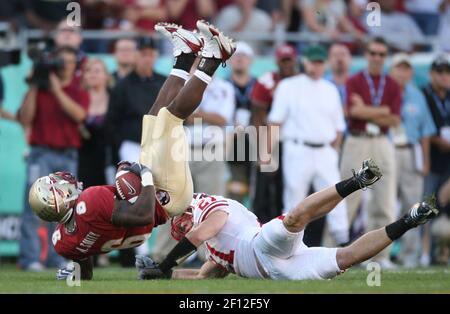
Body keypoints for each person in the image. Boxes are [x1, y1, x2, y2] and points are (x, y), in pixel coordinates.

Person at [28, 20, 236, 280]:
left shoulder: (63, 240)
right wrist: (144, 176)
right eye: (57, 186)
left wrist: (75, 275)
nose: (63, 181)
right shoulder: (90, 202)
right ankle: (214, 59)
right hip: (165, 195)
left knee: (150, 119)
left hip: (156, 194)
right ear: (58, 198)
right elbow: (143, 214)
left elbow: (86, 269)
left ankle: (185, 57)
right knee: (169, 119)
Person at [135, 159, 438, 281]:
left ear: (186, 213)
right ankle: (410, 219)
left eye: (180, 227)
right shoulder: (211, 247)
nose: (181, 231)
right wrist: (162, 276)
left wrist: (164, 264)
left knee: (294, 218)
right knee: (345, 258)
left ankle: (357, 181)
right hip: (280, 272)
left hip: (262, 244)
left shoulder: (207, 209)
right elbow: (204, 277)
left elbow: (199, 235)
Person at [17, 46, 90, 271]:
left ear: (74, 65)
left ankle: (57, 257)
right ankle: (30, 259)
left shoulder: (78, 89)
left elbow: (79, 115)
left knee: (65, 209)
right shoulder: (39, 89)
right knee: (33, 206)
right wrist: (34, 86)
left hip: (67, 154)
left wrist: (57, 89)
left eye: (68, 61)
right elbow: (25, 118)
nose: (64, 65)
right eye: (61, 61)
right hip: (41, 152)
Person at [268, 45, 349, 246]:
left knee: (335, 197)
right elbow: (275, 121)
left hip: (324, 150)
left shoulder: (330, 89)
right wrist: (266, 152)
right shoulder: (289, 86)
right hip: (298, 148)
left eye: (320, 62)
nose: (316, 66)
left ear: (325, 64)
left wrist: (334, 150)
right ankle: (286, 244)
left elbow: (339, 127)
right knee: (294, 198)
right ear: (305, 62)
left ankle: (343, 243)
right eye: (313, 62)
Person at [340, 37, 401, 268]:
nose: (377, 58)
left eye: (381, 54)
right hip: (358, 140)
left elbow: (394, 119)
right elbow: (352, 111)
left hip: (382, 141)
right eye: (373, 53)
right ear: (366, 55)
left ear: (385, 58)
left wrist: (365, 110)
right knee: (348, 197)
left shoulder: (392, 84)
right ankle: (337, 254)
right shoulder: (355, 80)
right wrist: (380, 110)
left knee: (384, 202)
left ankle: (380, 257)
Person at [389, 53, 437, 267]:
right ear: (392, 70)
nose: (402, 72)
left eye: (406, 68)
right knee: (385, 203)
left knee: (413, 205)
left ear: (410, 72)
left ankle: (410, 255)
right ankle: (380, 255)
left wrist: (425, 161)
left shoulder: (417, 95)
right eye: (399, 68)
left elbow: (426, 131)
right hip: (388, 149)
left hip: (411, 150)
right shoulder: (385, 92)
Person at [250, 44, 297, 223]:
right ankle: (258, 227)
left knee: (286, 187)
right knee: (263, 188)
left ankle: (283, 227)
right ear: (277, 61)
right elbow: (258, 115)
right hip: (272, 138)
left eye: (289, 59)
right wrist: (265, 148)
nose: (286, 64)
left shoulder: (302, 82)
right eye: (283, 60)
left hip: (293, 141)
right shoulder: (267, 81)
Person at [106, 36, 165, 165]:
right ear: (136, 56)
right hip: (132, 145)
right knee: (135, 182)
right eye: (143, 54)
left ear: (156, 56)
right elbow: (112, 119)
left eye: (151, 54)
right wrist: (120, 143)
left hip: (160, 145)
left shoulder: (164, 82)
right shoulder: (122, 85)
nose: (147, 58)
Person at [421, 55, 450, 265]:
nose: (444, 76)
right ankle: (423, 253)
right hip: (430, 160)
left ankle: (442, 255)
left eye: (447, 72)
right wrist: (435, 139)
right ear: (431, 74)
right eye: (440, 72)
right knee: (426, 206)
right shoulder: (423, 94)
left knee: (443, 206)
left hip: (448, 162)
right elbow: (420, 126)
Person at [227, 41, 256, 204]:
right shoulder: (224, 86)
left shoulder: (259, 85)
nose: (239, 59)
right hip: (232, 140)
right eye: (236, 56)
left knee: (256, 184)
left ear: (250, 60)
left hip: (254, 139)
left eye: (243, 56)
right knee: (235, 184)